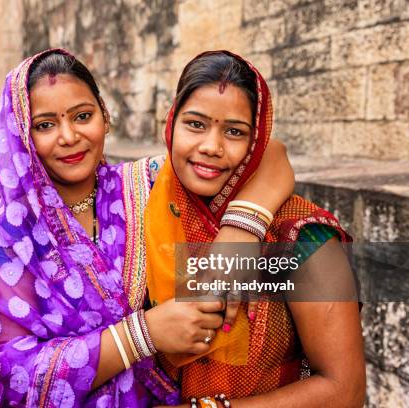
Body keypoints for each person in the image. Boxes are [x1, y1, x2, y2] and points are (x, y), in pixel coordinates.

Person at [0, 49, 295, 407]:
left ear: (105, 117)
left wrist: (239, 233)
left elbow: (269, 154)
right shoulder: (4, 240)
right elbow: (15, 376)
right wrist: (142, 335)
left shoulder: (150, 185)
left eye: (83, 116)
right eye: (45, 124)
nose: (68, 136)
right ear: (20, 136)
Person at [145, 51, 366, 407]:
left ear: (256, 141)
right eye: (195, 124)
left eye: (234, 131)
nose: (211, 147)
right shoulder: (136, 202)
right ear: (170, 125)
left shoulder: (303, 236)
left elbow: (345, 391)